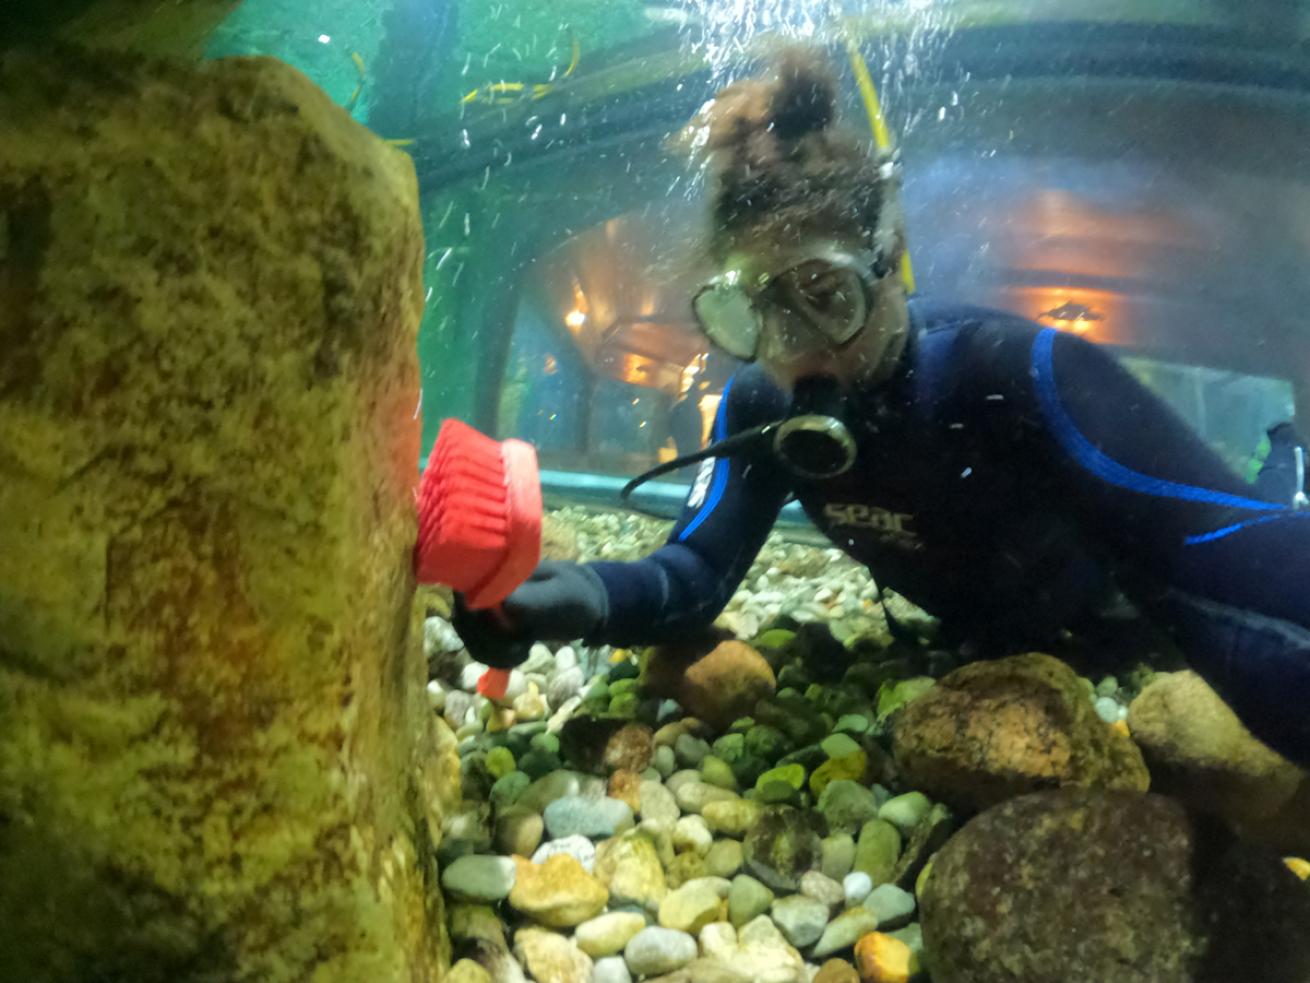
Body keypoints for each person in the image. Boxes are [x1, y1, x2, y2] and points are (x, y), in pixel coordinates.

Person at [457, 47, 1310, 766]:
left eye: (823, 296)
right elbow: (692, 577)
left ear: (889, 259)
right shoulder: (764, 405)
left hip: (1118, 628)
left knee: (1262, 518)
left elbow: (1230, 550)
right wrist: (575, 598)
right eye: (757, 312)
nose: (801, 351)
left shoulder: (1011, 370)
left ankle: (1289, 448)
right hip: (977, 641)